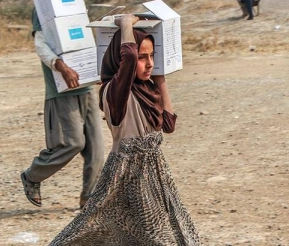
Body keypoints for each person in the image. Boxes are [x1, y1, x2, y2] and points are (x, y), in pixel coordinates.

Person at [48, 14, 201, 245]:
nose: (149, 63)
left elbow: (168, 125)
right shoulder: (116, 92)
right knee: (149, 236)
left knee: (163, 231)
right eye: (142, 57)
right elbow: (127, 56)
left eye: (152, 56)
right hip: (128, 173)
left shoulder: (147, 90)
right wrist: (125, 24)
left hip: (156, 173)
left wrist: (160, 79)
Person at [21, 0, 105, 210]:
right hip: (62, 92)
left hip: (85, 89)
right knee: (72, 143)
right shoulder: (43, 9)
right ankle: (32, 176)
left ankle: (89, 201)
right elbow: (41, 44)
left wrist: (95, 71)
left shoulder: (77, 10)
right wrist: (61, 66)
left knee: (97, 150)